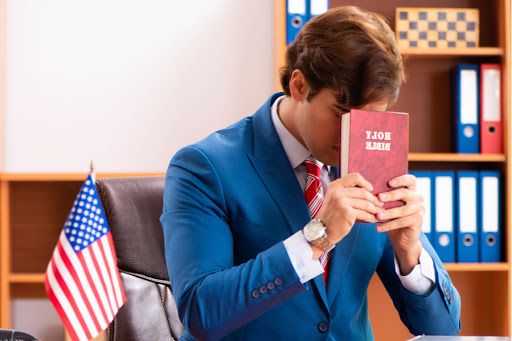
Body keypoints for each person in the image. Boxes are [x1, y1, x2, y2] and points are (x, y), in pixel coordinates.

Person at [160, 6, 461, 340]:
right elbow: (201, 311)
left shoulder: (374, 165)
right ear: (299, 85)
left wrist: (410, 250)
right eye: (342, 113)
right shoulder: (204, 167)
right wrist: (317, 238)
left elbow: (443, 330)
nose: (352, 135)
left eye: (368, 119)